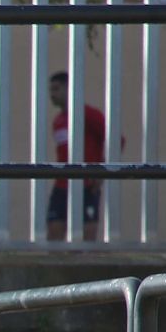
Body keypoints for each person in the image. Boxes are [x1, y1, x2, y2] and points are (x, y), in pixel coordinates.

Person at [47, 70, 106, 241]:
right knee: (54, 232)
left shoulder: (88, 114)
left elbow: (115, 140)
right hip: (62, 184)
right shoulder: (58, 120)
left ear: (68, 89)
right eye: (50, 90)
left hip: (87, 184)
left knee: (87, 236)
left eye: (56, 89)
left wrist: (101, 172)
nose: (52, 94)